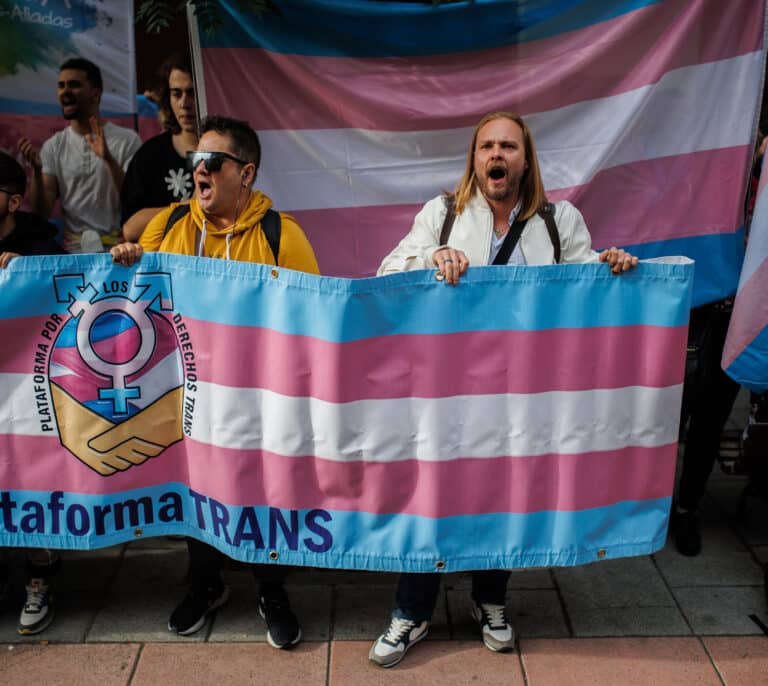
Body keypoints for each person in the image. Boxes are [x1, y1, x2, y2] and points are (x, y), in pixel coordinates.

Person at [371, 111, 637, 668]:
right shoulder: (440, 215)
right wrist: (431, 258)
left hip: (523, 394)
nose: (497, 155)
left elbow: (587, 286)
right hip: (446, 392)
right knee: (433, 497)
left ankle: (491, 599)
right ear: (474, 158)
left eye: (508, 146)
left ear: (525, 158)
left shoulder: (559, 221)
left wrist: (613, 266)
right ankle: (411, 610)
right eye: (487, 146)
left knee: (506, 493)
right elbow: (385, 274)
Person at [111, 115, 320, 649]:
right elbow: (136, 291)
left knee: (264, 493)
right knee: (194, 488)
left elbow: (314, 317)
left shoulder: (282, 235)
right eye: (194, 161)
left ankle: (271, 590)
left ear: (244, 174)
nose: (198, 170)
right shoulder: (172, 225)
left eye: (212, 162)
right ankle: (204, 585)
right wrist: (129, 259)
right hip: (188, 395)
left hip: (258, 399)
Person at [0, 151, 63, 635]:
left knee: (32, 484)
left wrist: (28, 276)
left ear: (13, 201)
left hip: (29, 391)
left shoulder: (40, 241)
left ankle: (39, 580)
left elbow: (71, 293)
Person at [17, 57, 141, 253]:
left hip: (120, 253)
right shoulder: (54, 146)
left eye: (74, 85)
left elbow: (134, 201)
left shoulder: (128, 140)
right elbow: (41, 212)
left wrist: (108, 158)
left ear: (96, 94)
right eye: (61, 86)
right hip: (72, 257)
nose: (65, 91)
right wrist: (38, 173)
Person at [121, 53, 199, 241]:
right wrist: (189, 208)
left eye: (192, 92)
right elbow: (130, 229)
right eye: (176, 93)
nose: (184, 103)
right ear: (167, 97)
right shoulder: (150, 155)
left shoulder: (227, 152)